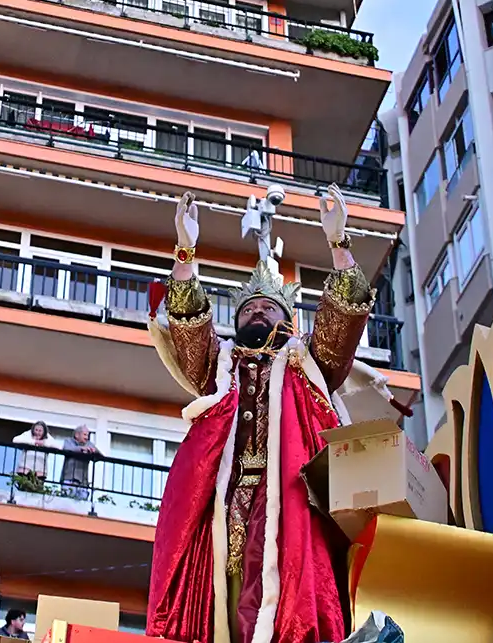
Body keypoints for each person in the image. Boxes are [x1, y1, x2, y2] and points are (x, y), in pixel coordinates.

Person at [145, 185, 376, 643]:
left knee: (283, 598)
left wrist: (338, 243)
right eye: (248, 309)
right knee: (224, 601)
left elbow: (343, 320)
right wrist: (187, 252)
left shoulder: (306, 363)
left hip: (290, 502)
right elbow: (189, 329)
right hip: (223, 502)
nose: (255, 313)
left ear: (288, 321)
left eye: (267, 308)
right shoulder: (220, 365)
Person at [58, 424, 99, 500]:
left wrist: (94, 451)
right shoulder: (68, 441)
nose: (86, 437)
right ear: (77, 434)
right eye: (84, 435)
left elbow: (101, 456)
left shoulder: (89, 444)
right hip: (69, 478)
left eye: (87, 435)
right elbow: (67, 449)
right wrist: (82, 449)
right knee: (66, 503)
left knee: (82, 506)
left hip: (83, 482)